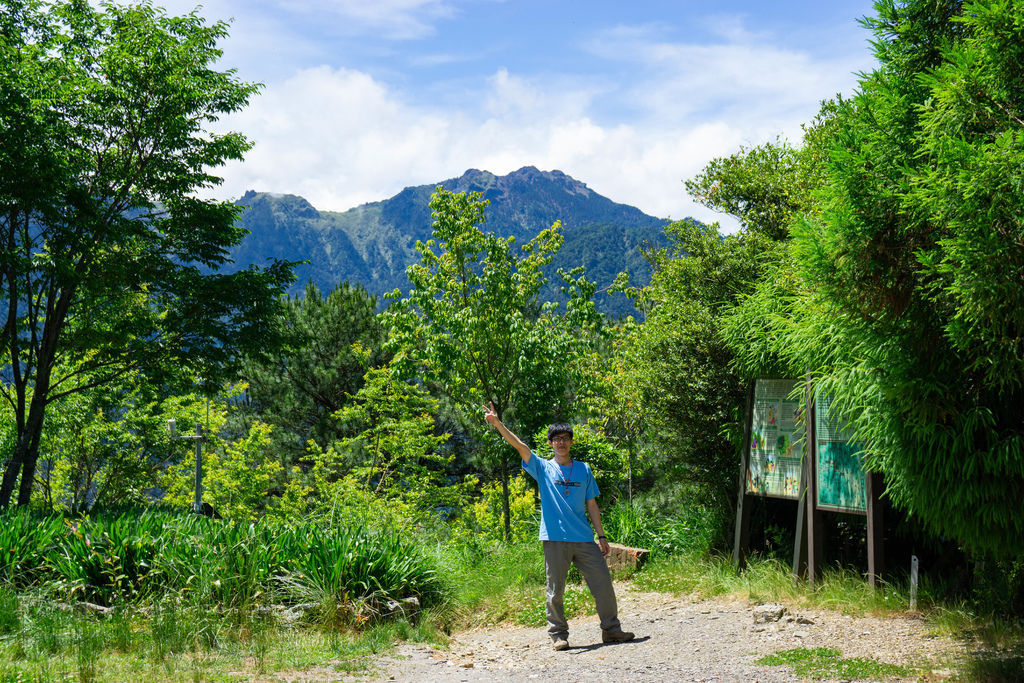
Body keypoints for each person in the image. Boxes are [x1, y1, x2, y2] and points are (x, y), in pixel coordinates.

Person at [483, 402, 635, 651]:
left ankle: (611, 630)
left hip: (584, 538)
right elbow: (520, 446)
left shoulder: (584, 469)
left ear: (571, 441)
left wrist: (602, 535)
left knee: (603, 585)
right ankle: (558, 635)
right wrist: (498, 423)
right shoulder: (542, 467)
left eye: (565, 438)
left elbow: (592, 504)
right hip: (554, 538)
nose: (561, 442)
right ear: (551, 443)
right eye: (556, 439)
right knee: (555, 590)